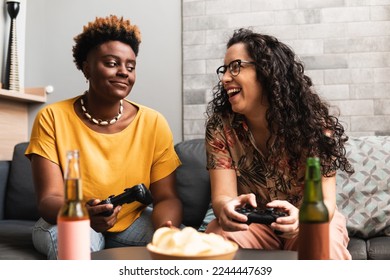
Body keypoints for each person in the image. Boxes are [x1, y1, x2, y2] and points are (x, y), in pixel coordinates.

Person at [25, 15, 182, 259]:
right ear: (86, 67)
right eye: (111, 63)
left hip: (133, 222)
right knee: (76, 245)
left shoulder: (153, 122)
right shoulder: (52, 118)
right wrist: (85, 214)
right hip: (68, 218)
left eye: (130, 67)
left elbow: (167, 197)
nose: (123, 72)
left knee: (183, 245)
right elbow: (49, 199)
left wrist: (165, 231)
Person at [204, 28, 354, 260]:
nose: (224, 78)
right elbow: (223, 196)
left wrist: (301, 219)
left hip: (308, 217)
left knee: (324, 240)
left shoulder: (315, 125)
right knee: (215, 238)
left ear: (266, 72)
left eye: (235, 67)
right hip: (253, 223)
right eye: (224, 70)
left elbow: (325, 200)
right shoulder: (220, 127)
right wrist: (227, 208)